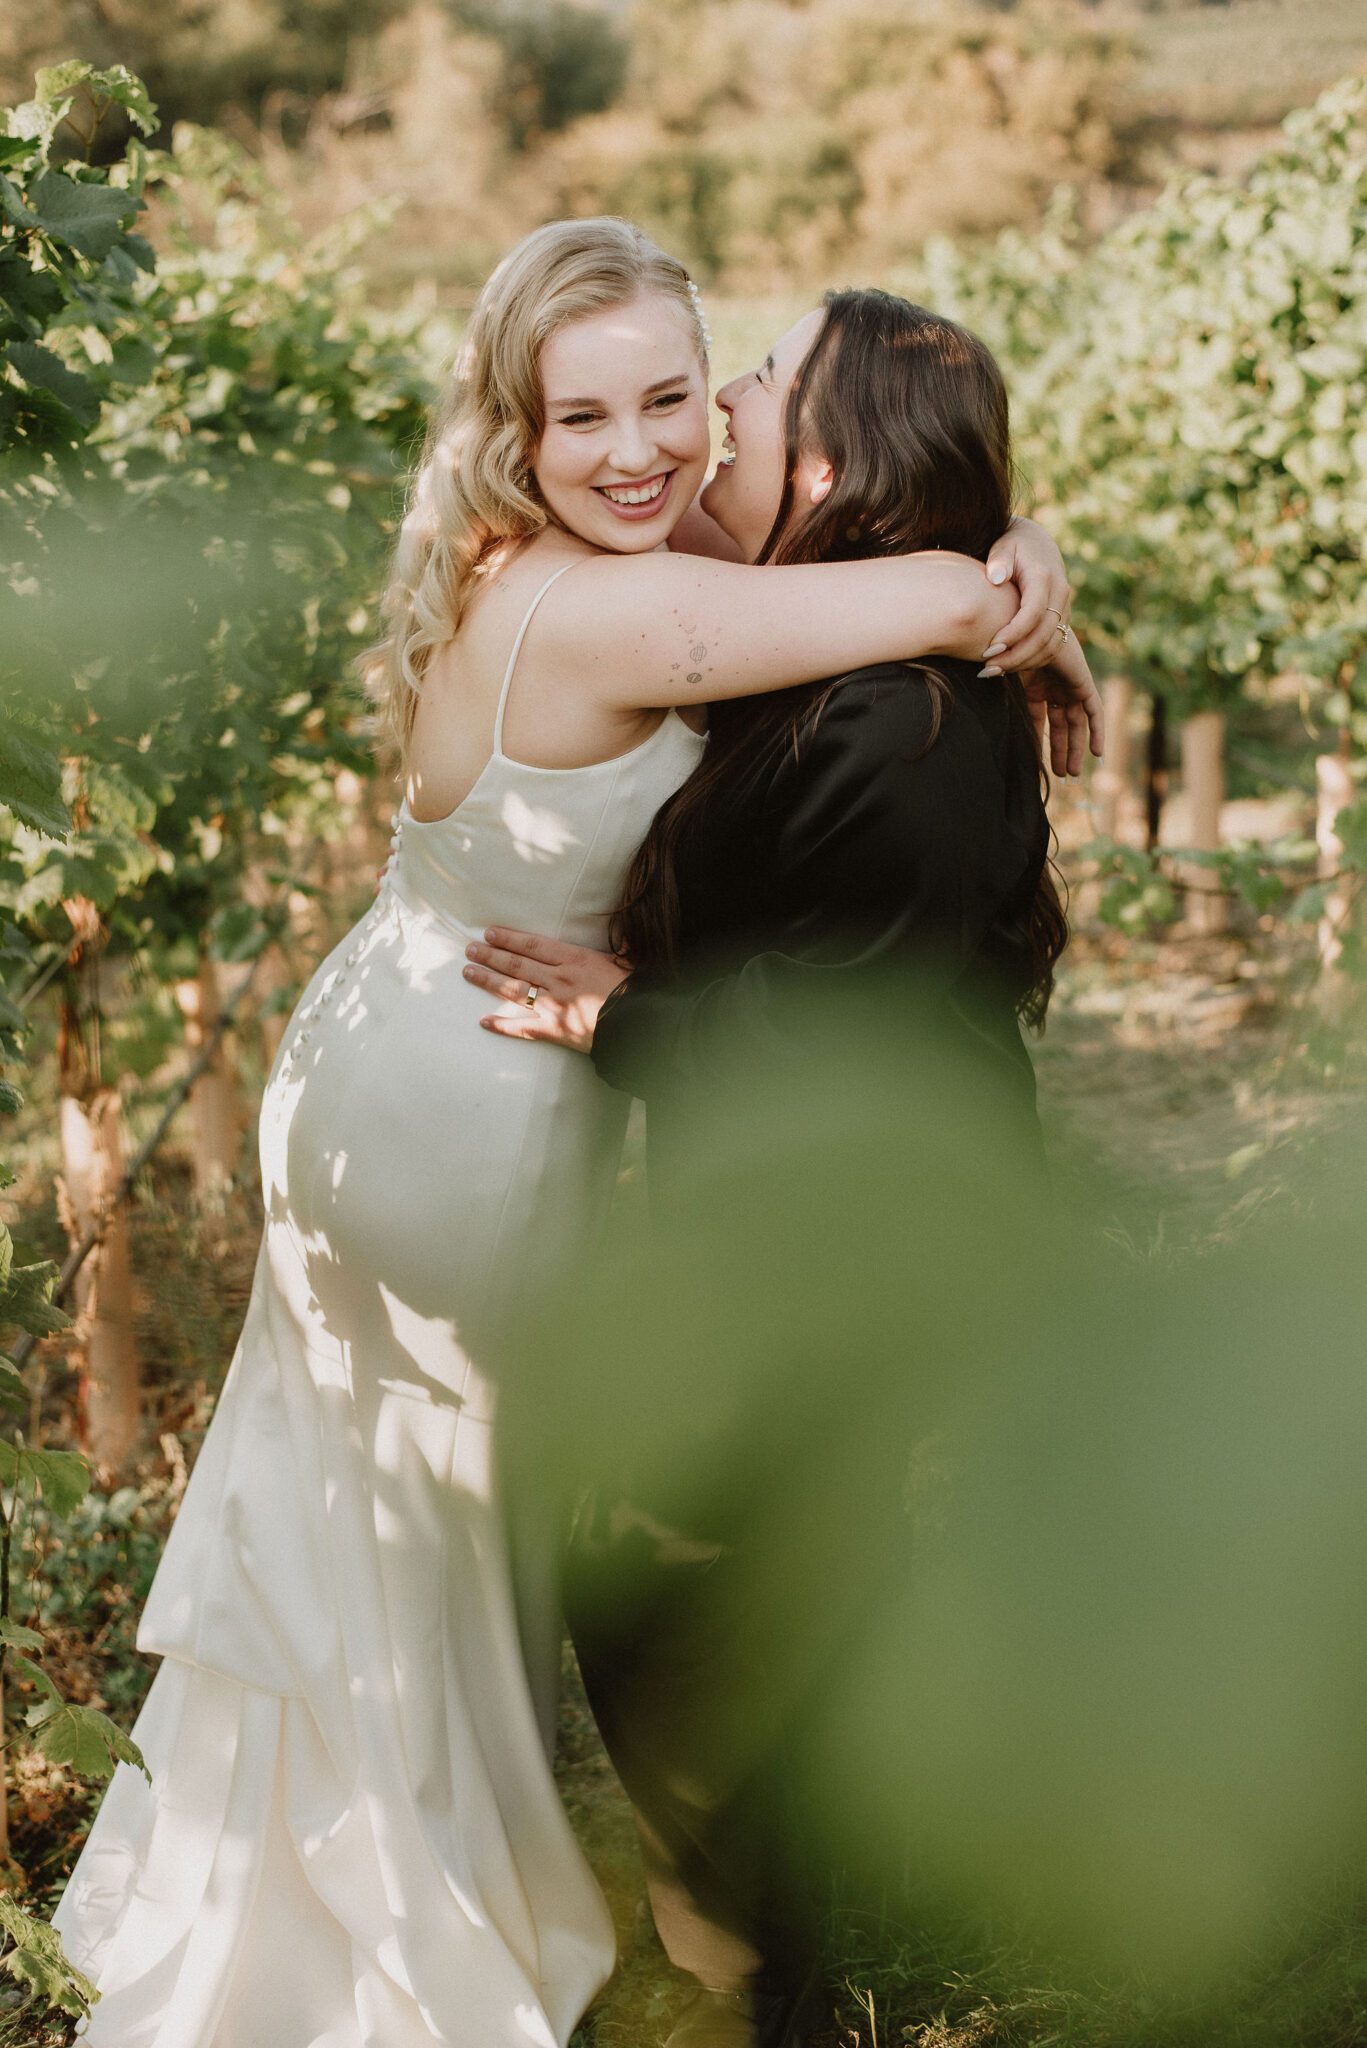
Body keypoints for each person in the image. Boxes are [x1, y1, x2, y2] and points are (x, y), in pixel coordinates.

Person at [53, 221, 1092, 2048]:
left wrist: (1025, 555)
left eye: (686, 399)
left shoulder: (580, 546)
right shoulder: (626, 598)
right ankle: (415, 1956)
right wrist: (1024, 578)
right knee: (455, 1544)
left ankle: (381, 1913)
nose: (646, 451)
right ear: (516, 433)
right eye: (584, 414)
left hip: (401, 1045)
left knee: (399, 1536)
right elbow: (928, 598)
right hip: (471, 1088)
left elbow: (857, 568)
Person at [460, 288, 1088, 2048]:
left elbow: (846, 1035)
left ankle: (787, 1978)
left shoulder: (899, 721)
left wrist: (622, 1019)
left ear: (828, 454)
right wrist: (1010, 564)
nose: (712, 409)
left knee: (681, 1556)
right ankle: (775, 1937)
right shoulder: (833, 657)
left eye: (748, 382)